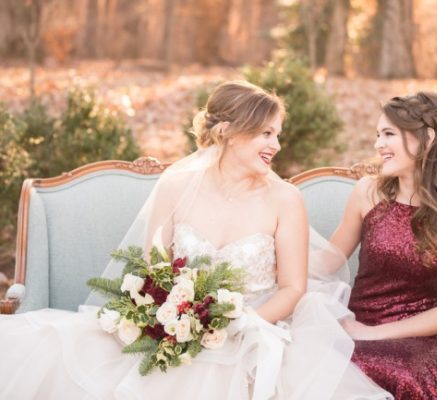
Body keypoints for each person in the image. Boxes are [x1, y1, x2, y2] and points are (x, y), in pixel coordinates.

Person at [0, 81, 391, 400]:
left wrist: (240, 323)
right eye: (265, 133)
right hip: (175, 327)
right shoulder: (177, 185)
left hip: (252, 330)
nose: (276, 145)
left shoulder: (286, 199)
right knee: (47, 350)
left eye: (278, 134)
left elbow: (293, 288)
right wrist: (168, 316)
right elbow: (155, 266)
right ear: (227, 132)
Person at [331, 91, 437, 399]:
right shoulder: (367, 193)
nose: (378, 144)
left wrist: (371, 335)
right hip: (358, 322)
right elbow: (328, 260)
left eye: (389, 134)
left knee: (399, 371)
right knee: (334, 362)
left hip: (422, 338)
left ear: (427, 138)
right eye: (378, 134)